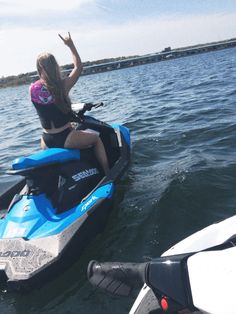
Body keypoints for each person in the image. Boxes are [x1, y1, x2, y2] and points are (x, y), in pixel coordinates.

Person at [30, 32, 109, 175]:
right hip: (65, 137)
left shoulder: (32, 89)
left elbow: (50, 111)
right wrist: (71, 45)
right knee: (96, 139)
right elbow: (78, 67)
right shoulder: (61, 86)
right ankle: (108, 173)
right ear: (54, 66)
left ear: (39, 68)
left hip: (46, 140)